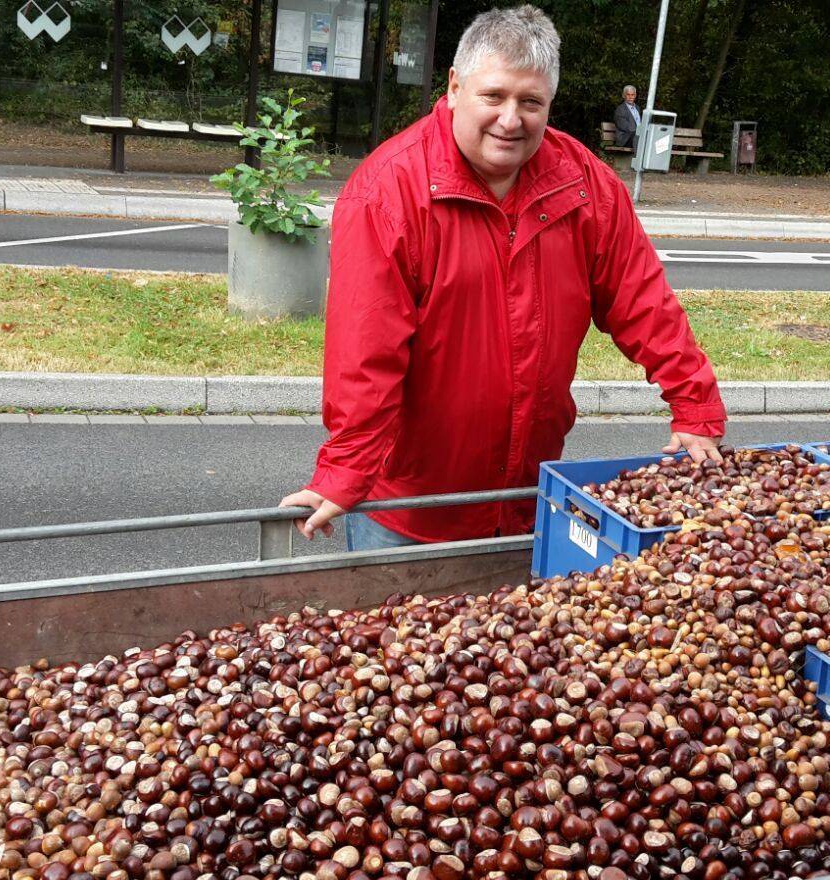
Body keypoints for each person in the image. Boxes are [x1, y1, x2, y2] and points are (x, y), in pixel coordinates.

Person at [280, 5, 726, 550]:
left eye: (530, 102)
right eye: (493, 96)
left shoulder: (583, 185)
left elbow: (643, 301)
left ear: (549, 105)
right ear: (454, 86)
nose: (510, 119)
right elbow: (365, 350)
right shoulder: (390, 191)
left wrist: (695, 404)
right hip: (408, 509)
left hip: (528, 502)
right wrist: (346, 471)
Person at [614, 84, 642, 150]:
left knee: (652, 136)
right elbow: (625, 127)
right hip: (625, 139)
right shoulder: (620, 109)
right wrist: (640, 132)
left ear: (635, 96)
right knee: (638, 137)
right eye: (628, 94)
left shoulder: (637, 108)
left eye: (632, 95)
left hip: (636, 136)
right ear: (624, 95)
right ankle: (638, 159)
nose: (630, 97)